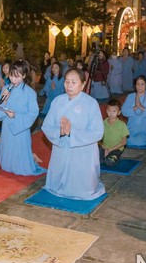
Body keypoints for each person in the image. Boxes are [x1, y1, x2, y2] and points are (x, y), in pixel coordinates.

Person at [42, 68, 105, 200]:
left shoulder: (91, 103)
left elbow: (98, 132)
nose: (69, 85)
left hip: (82, 151)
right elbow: (46, 126)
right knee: (58, 178)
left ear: (83, 85)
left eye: (73, 82)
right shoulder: (57, 101)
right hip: (61, 147)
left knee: (79, 184)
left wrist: (72, 132)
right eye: (67, 82)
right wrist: (60, 132)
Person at [0, 60, 46, 176]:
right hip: (7, 125)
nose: (14, 79)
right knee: (7, 164)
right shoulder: (6, 89)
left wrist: (16, 115)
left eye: (17, 76)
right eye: (11, 76)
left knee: (21, 159)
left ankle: (30, 158)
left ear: (23, 75)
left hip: (21, 127)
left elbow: (33, 113)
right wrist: (5, 101)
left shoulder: (30, 93)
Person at [121, 76, 146, 146]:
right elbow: (124, 111)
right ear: (135, 86)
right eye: (138, 84)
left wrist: (141, 107)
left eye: (142, 84)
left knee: (139, 141)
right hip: (132, 129)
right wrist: (134, 107)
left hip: (145, 130)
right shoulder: (130, 96)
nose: (140, 86)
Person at [99, 98, 129, 167]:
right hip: (105, 147)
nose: (111, 113)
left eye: (114, 111)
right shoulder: (103, 123)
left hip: (116, 149)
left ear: (119, 112)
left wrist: (110, 150)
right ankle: (106, 156)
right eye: (109, 111)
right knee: (99, 161)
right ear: (106, 111)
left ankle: (115, 158)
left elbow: (124, 142)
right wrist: (104, 147)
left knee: (108, 162)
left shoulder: (122, 125)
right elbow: (98, 139)